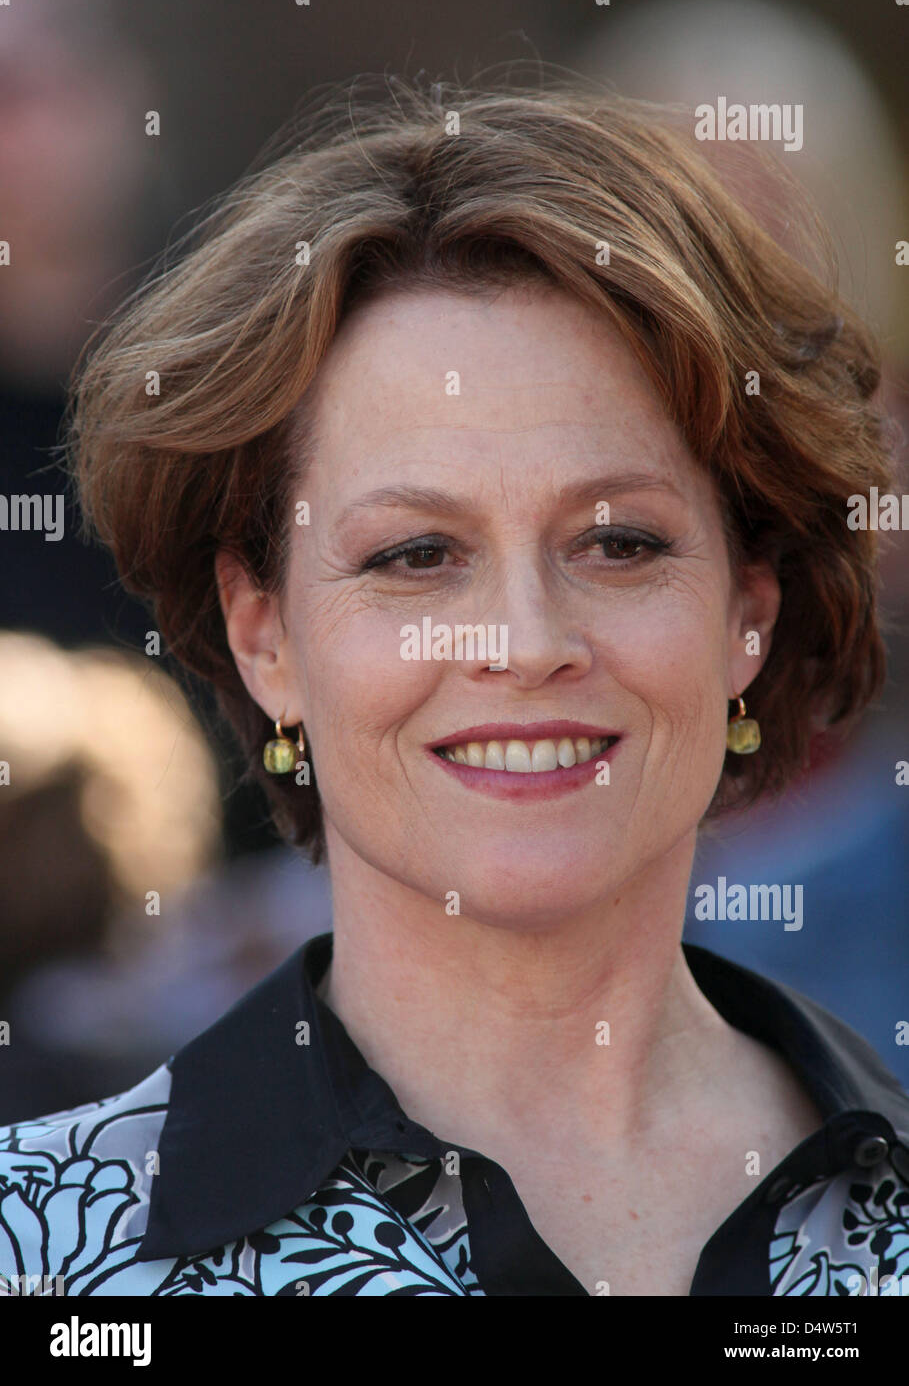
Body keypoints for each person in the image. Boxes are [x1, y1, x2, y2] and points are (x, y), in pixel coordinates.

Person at [1, 73, 907, 1298]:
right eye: (416, 555)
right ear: (265, 634)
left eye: (619, 543)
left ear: (750, 609)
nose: (526, 641)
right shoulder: (40, 1256)